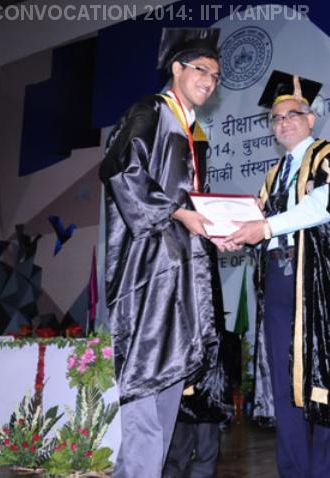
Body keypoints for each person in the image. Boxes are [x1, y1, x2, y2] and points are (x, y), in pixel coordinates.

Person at [98, 28, 230, 477]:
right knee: (146, 385)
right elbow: (120, 168)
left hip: (178, 276)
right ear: (176, 68)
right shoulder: (151, 112)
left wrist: (212, 230)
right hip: (147, 275)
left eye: (215, 75)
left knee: (169, 389)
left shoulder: (188, 129)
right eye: (201, 70)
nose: (209, 81)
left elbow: (188, 207)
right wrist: (176, 211)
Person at [224, 70, 330, 478]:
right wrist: (236, 236)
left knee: (323, 382)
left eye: (292, 115)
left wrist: (264, 227)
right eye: (277, 118)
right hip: (278, 285)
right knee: (285, 388)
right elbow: (262, 227)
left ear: (310, 119)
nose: (283, 123)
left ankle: (329, 473)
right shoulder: (273, 175)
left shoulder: (328, 157)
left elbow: (323, 205)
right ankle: (294, 471)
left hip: (316, 288)